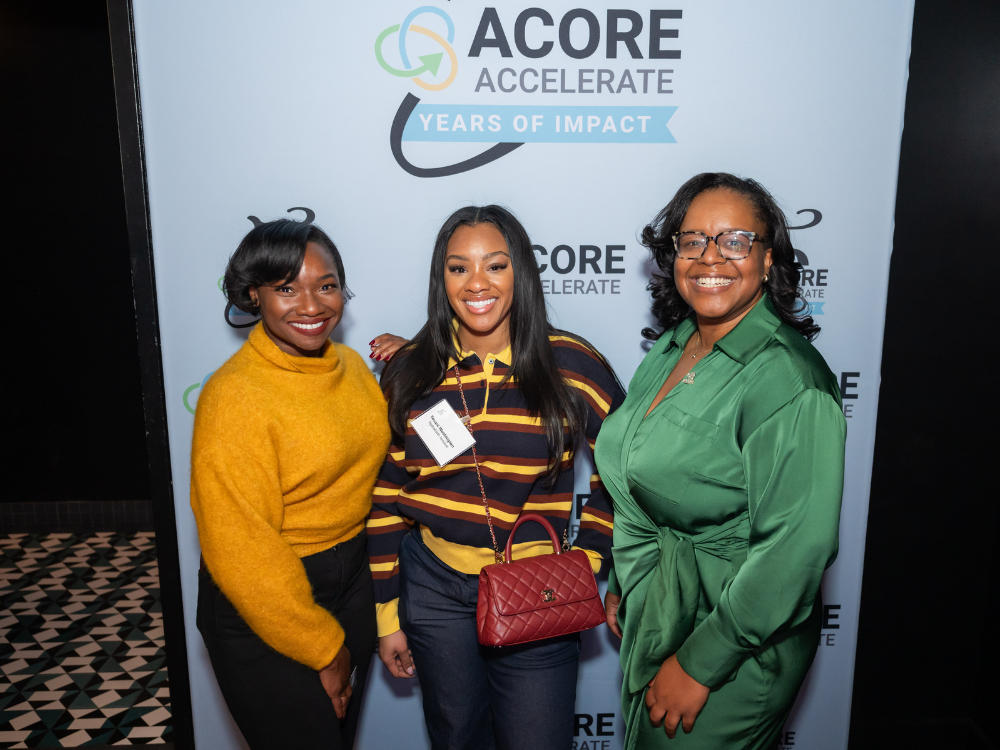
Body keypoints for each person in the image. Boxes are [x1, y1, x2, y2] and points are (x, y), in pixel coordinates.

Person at [594, 173, 846, 749]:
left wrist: (701, 663)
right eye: (693, 240)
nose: (711, 257)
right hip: (662, 608)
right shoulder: (676, 342)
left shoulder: (789, 380)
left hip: (733, 641)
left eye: (735, 240)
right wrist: (627, 579)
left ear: (767, 257)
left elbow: (795, 551)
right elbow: (637, 472)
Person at [368, 205, 625, 750]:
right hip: (434, 590)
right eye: (459, 267)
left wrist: (591, 558)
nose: (477, 283)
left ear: (521, 272)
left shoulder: (571, 363)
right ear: (441, 279)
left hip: (537, 588)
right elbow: (386, 495)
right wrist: (387, 615)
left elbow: (628, 472)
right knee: (457, 739)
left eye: (496, 265)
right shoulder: (411, 369)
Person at [191, 219, 391, 750]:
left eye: (326, 285)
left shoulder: (352, 367)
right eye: (286, 288)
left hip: (353, 578)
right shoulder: (233, 396)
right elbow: (243, 547)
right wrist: (323, 648)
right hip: (266, 598)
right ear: (252, 295)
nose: (312, 305)